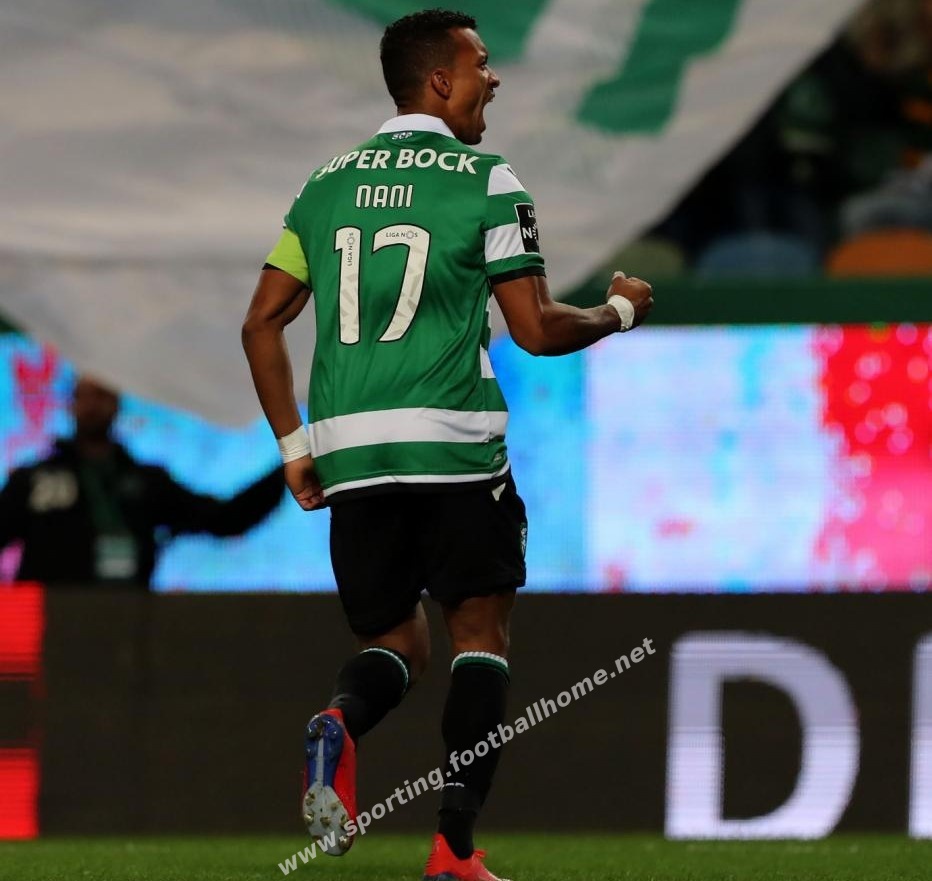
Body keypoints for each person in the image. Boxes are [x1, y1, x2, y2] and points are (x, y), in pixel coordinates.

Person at [241, 9, 653, 881]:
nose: (492, 78)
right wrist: (618, 310)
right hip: (453, 441)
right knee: (478, 636)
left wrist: (292, 445)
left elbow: (261, 324)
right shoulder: (487, 179)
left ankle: (341, 721)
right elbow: (536, 329)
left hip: (350, 450)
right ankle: (453, 849)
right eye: (481, 64)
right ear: (439, 81)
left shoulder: (325, 185)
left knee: (399, 641)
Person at [0, 375, 286, 587]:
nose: (91, 405)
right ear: (70, 405)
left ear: (117, 403)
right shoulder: (33, 480)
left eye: (100, 395)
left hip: (126, 624)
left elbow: (225, 519)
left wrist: (290, 465)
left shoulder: (147, 482)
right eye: (83, 395)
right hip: (48, 623)